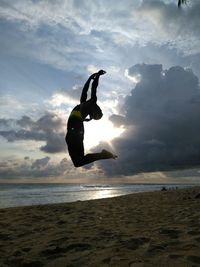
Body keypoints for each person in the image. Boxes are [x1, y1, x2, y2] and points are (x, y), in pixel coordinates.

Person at [65, 70, 117, 167]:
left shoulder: (83, 104)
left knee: (78, 162)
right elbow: (92, 88)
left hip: (75, 132)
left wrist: (93, 77)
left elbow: (87, 89)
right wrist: (96, 76)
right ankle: (103, 155)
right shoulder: (90, 102)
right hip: (74, 132)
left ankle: (103, 155)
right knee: (78, 162)